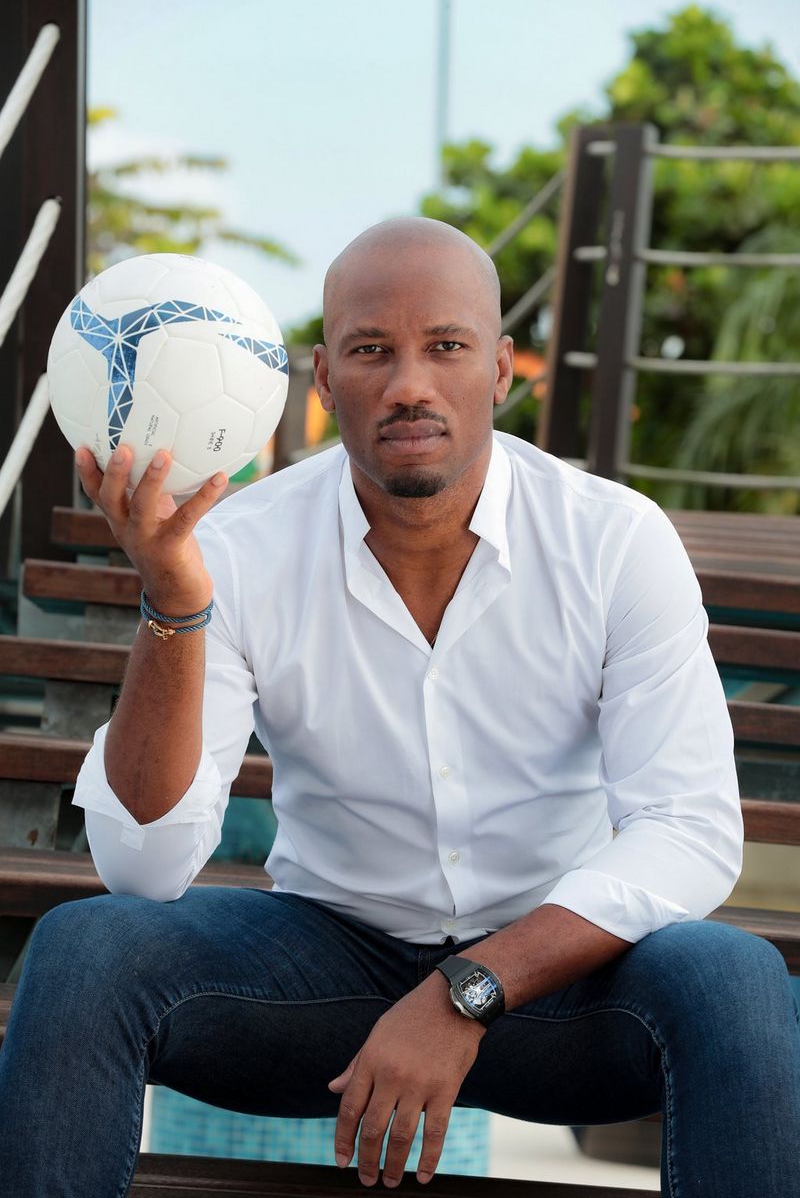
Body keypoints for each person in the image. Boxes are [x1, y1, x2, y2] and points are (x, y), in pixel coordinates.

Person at [0, 217, 798, 1197]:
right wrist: (174, 604)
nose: (408, 384)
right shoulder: (242, 547)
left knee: (732, 979)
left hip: (556, 983)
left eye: (446, 346)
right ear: (323, 381)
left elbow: (688, 831)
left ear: (499, 370)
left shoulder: (613, 540)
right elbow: (143, 867)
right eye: (371, 351)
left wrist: (467, 992)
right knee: (86, 951)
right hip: (326, 974)